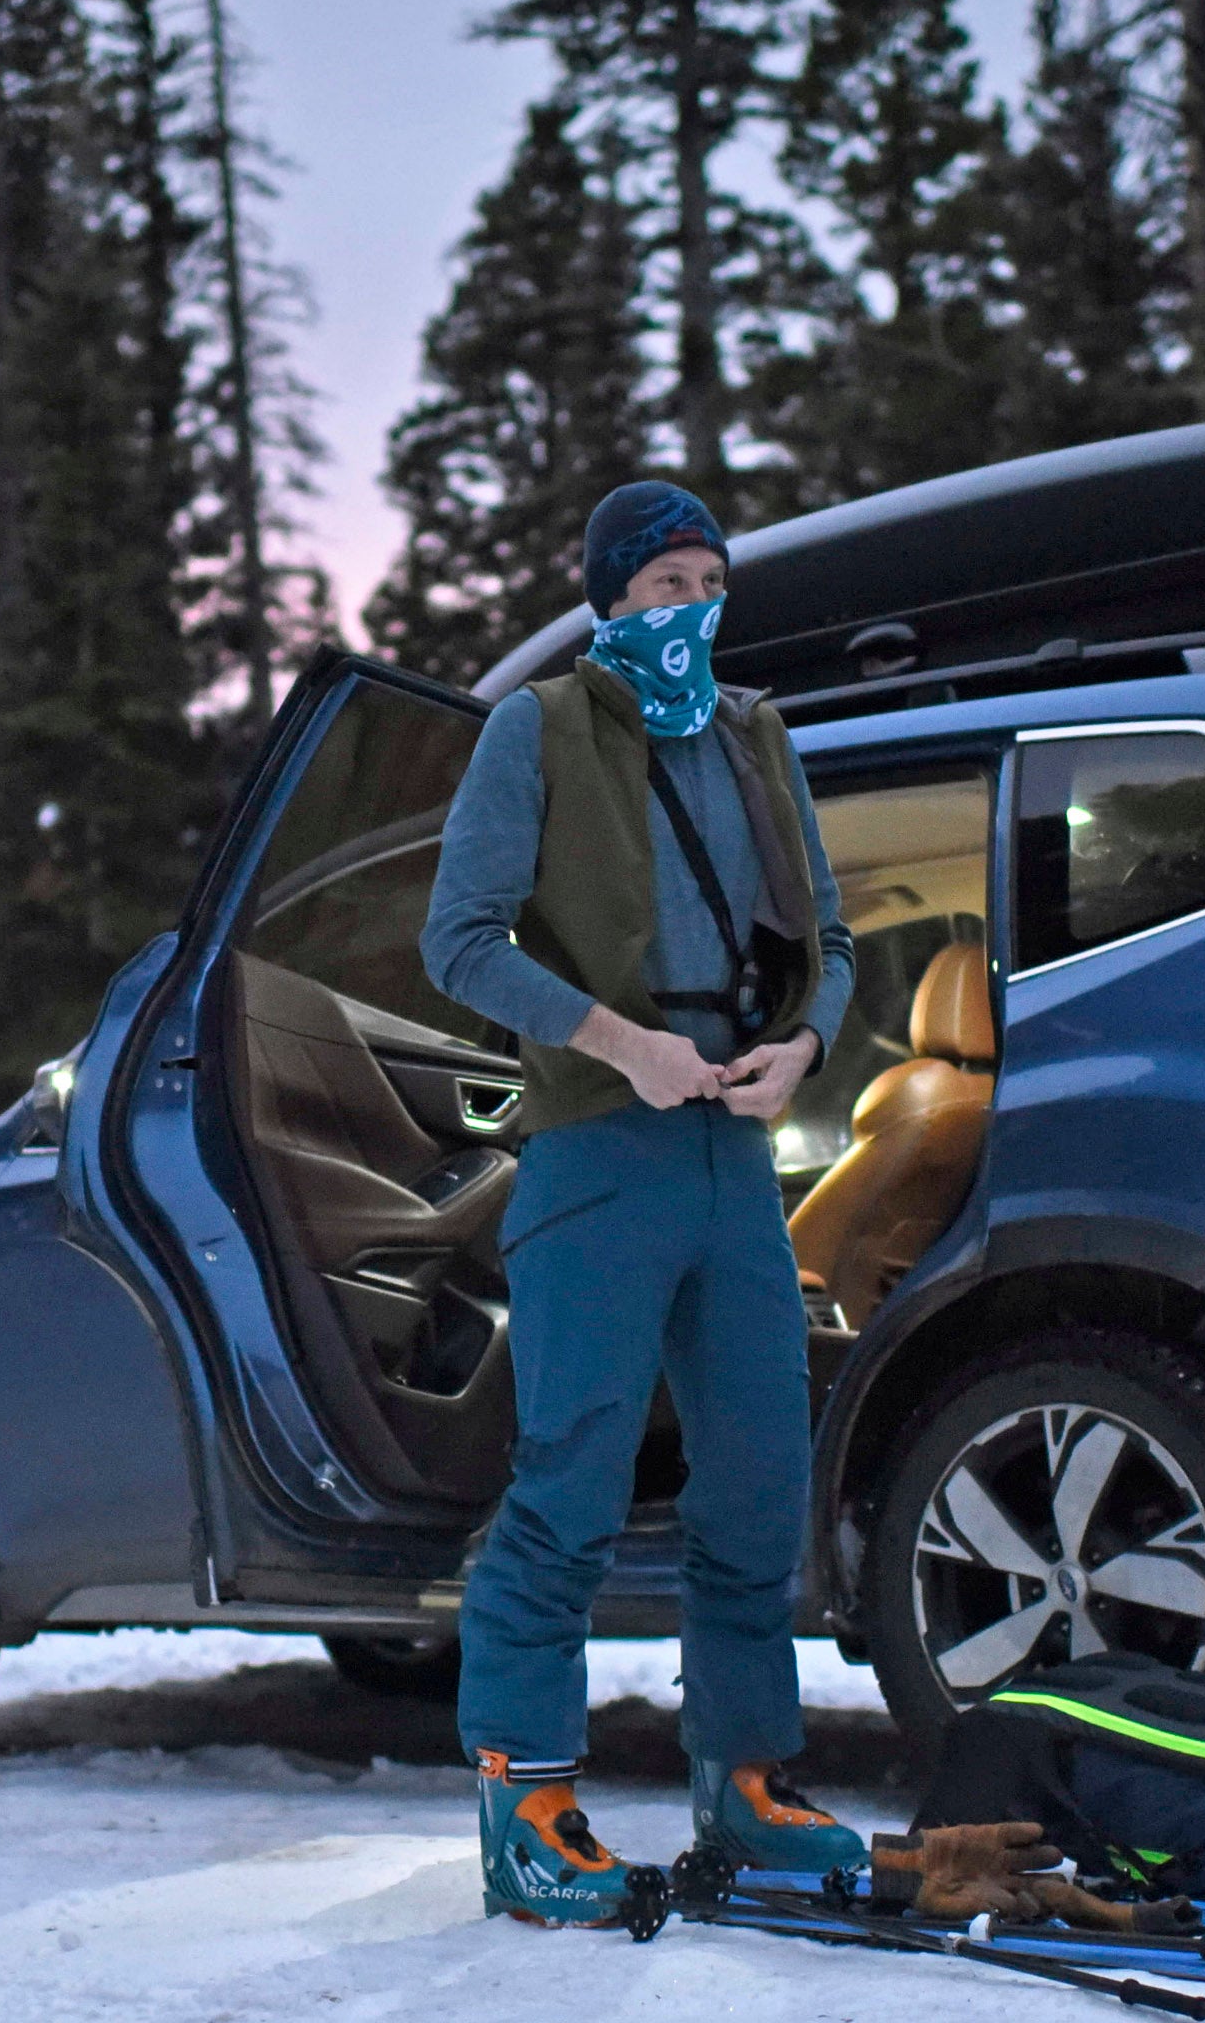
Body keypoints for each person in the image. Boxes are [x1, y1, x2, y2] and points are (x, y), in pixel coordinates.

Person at [420, 479, 870, 1924]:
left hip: (734, 1153)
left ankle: (745, 1783)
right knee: (573, 1477)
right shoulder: (536, 728)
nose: (692, 608)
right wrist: (623, 1044)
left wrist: (799, 1045)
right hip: (598, 1142)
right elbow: (458, 942)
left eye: (707, 582)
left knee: (756, 1477)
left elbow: (837, 940)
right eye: (665, 585)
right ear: (611, 601)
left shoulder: (756, 734)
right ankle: (528, 1801)